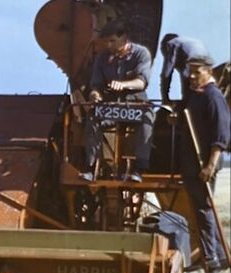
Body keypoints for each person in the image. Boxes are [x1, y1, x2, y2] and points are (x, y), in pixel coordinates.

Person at [82, 20, 153, 182]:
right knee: (92, 117)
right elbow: (96, 85)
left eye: (112, 41)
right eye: (106, 41)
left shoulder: (141, 53)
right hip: (112, 105)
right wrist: (94, 94)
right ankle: (92, 167)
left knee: (148, 121)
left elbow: (142, 82)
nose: (109, 45)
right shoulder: (102, 58)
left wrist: (124, 85)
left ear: (124, 38)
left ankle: (139, 169)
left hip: (136, 104)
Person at [182, 56, 230, 273]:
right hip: (193, 161)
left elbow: (221, 135)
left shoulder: (213, 97)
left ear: (208, 71)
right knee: (199, 208)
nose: (191, 77)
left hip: (205, 162)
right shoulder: (196, 96)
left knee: (204, 208)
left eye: (196, 72)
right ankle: (217, 256)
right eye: (189, 72)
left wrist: (211, 165)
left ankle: (211, 256)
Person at [160, 34, 209, 104]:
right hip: (205, 67)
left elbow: (167, 73)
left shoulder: (172, 43)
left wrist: (165, 97)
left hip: (193, 64)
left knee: (187, 99)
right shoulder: (187, 43)